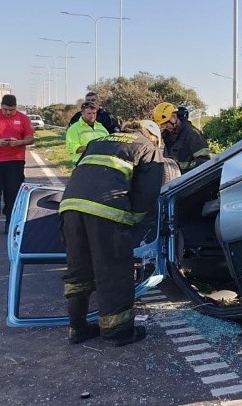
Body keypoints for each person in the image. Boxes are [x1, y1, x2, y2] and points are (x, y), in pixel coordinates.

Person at [59, 119, 164, 347]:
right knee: (113, 272)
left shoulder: (99, 141)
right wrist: (134, 222)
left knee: (79, 271)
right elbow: (147, 192)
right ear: (152, 136)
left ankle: (77, 328)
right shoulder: (147, 146)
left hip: (70, 207)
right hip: (106, 211)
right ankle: (117, 333)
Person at [0, 94, 35, 237]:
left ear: (16, 107)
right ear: (1, 106)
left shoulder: (23, 119)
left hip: (15, 161)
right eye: (5, 109)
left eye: (11, 110)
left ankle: (10, 221)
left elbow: (30, 138)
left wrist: (19, 142)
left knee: (13, 192)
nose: (8, 113)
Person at [152, 102, 211, 173]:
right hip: (175, 181)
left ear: (174, 116)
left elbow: (204, 162)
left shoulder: (192, 134)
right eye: (162, 124)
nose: (164, 126)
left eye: (166, 123)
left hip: (189, 181)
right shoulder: (168, 137)